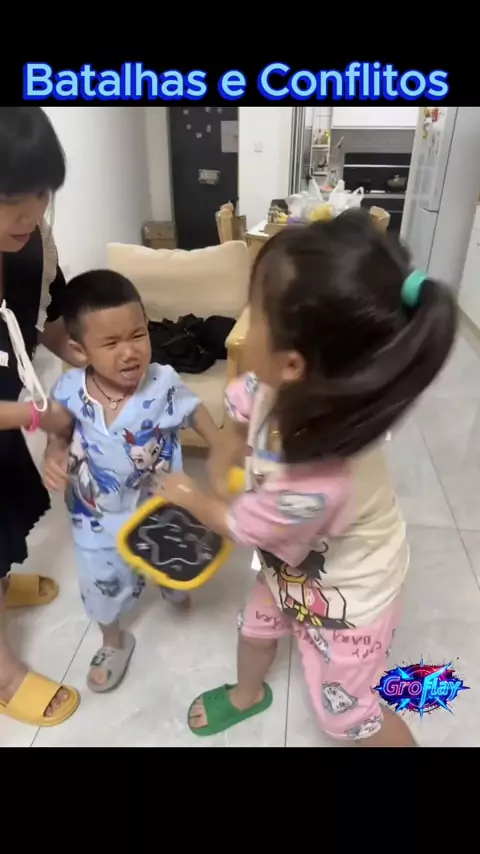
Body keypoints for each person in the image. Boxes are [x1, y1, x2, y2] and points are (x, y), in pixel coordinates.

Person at [161, 210, 458, 747]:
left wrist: (193, 497)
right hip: (292, 563)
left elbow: (246, 526)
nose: (241, 326)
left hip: (348, 597)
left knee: (346, 714)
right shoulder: (279, 385)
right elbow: (242, 412)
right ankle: (247, 693)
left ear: (294, 363)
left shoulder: (317, 479)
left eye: (254, 316)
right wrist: (226, 445)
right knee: (256, 625)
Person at [43, 270, 219, 692]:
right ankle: (113, 641)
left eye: (138, 335)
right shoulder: (69, 389)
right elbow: (59, 430)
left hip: (158, 503)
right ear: (79, 350)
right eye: (111, 343)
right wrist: (53, 451)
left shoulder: (163, 383)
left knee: (168, 551)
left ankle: (169, 582)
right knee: (99, 581)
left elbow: (195, 412)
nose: (130, 352)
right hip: (95, 514)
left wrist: (220, 445)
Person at [0, 106, 80, 727]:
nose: (30, 216)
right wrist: (39, 416)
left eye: (43, 195)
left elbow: (42, 315)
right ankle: (2, 675)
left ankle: (2, 583)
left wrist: (83, 350)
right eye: (10, 202)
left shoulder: (35, 237)